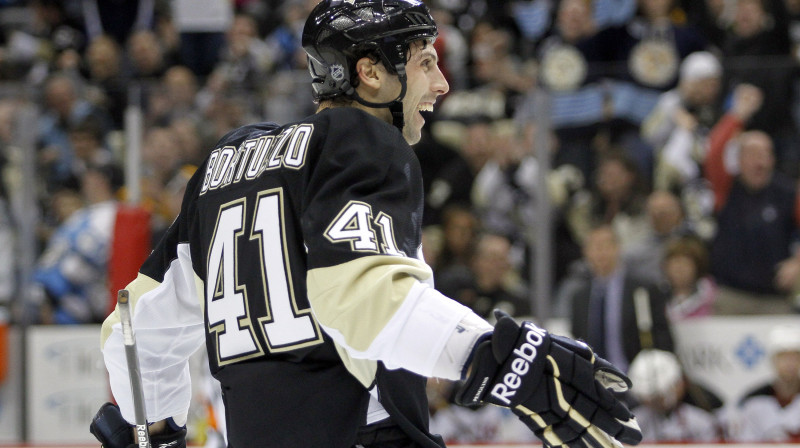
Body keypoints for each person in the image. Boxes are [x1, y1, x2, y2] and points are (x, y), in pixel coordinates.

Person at [89, 1, 642, 448]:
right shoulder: (360, 140)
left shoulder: (226, 163)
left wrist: (152, 430)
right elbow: (361, 298)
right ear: (371, 73)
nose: (442, 83)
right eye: (426, 61)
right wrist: (506, 360)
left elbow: (135, 331)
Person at [627, 349, 722, 442]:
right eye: (652, 398)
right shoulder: (634, 422)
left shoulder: (701, 420)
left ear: (681, 383)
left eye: (660, 396)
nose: (658, 402)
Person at [728, 325, 800, 442]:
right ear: (773, 360)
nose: (789, 363)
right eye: (784, 357)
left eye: (795, 357)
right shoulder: (752, 399)